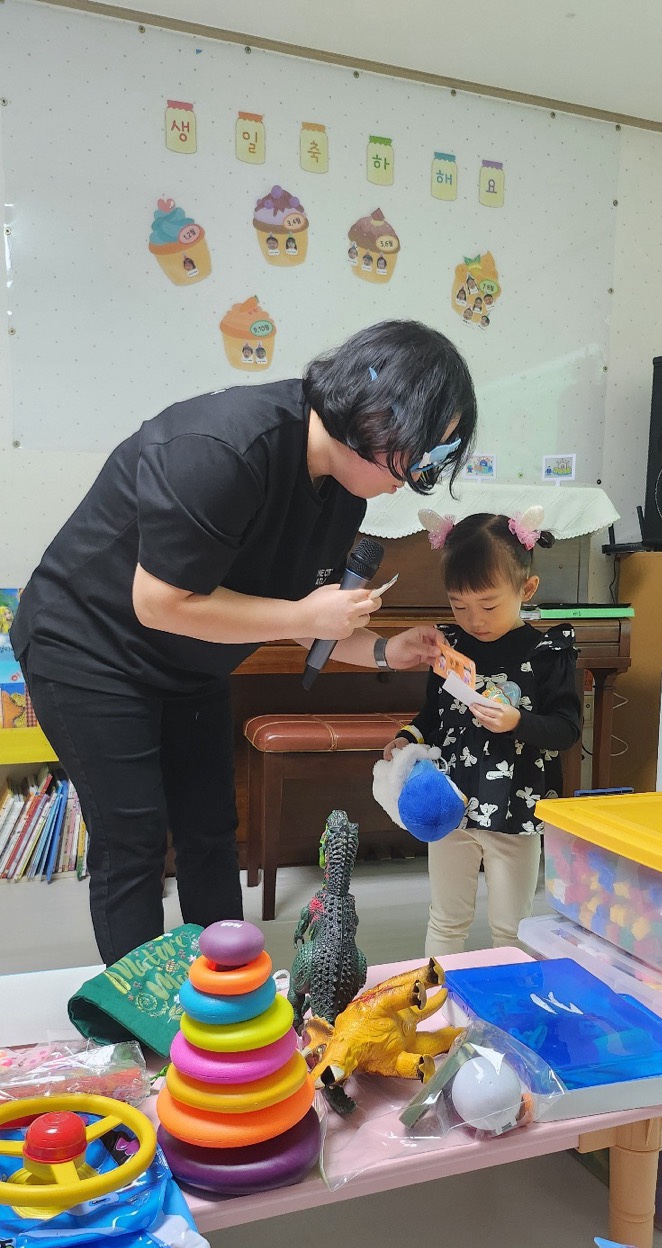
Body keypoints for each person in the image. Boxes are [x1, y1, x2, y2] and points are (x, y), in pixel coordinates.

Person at [11, 319, 476, 967]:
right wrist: (304, 612)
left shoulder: (343, 495)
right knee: (135, 838)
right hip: (87, 645)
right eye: (427, 450)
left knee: (210, 831)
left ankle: (227, 993)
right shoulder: (222, 449)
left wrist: (382, 651)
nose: (421, 473)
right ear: (381, 415)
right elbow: (161, 601)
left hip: (187, 660)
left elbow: (299, 615)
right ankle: (142, 1016)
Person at [384, 509, 580, 955]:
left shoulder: (548, 652)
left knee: (512, 927)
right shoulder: (449, 647)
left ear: (527, 589)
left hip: (516, 810)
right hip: (450, 803)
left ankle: (510, 993)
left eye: (489, 605)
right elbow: (435, 714)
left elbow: (567, 729)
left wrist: (518, 722)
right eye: (459, 605)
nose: (474, 620)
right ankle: (437, 991)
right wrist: (409, 737)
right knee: (445, 918)